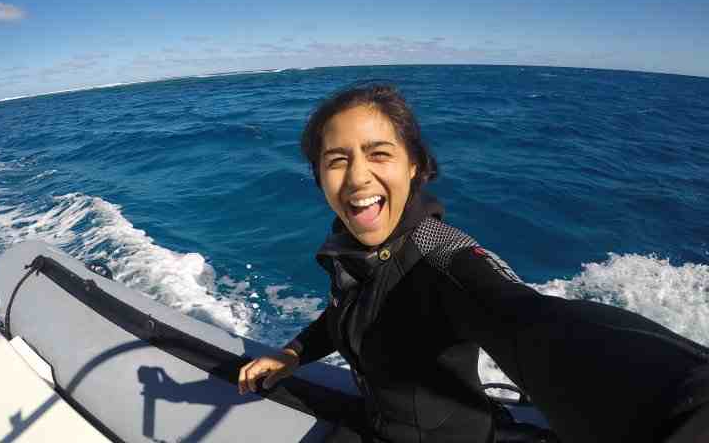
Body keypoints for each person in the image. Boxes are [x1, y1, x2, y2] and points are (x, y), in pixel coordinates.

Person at [238, 83, 709, 443]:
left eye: (379, 153)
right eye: (337, 160)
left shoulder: (443, 257)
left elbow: (528, 319)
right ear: (319, 176)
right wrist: (294, 352)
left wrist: (686, 403)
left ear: (415, 166)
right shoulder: (351, 245)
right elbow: (348, 310)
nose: (358, 175)